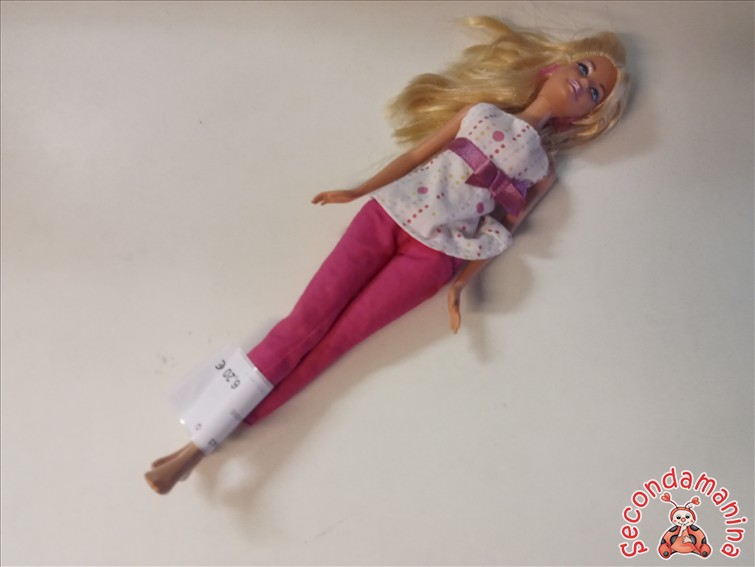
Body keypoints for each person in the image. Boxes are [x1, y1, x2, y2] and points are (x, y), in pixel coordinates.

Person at [145, 16, 630, 494]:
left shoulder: (541, 171)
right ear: (554, 67)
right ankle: (199, 443)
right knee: (303, 323)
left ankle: (201, 444)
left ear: (584, 116)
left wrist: (462, 284)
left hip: (435, 257)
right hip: (387, 214)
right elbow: (416, 156)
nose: (582, 84)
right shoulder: (481, 114)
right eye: (584, 69)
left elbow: (504, 231)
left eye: (595, 93)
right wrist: (357, 191)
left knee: (334, 347)